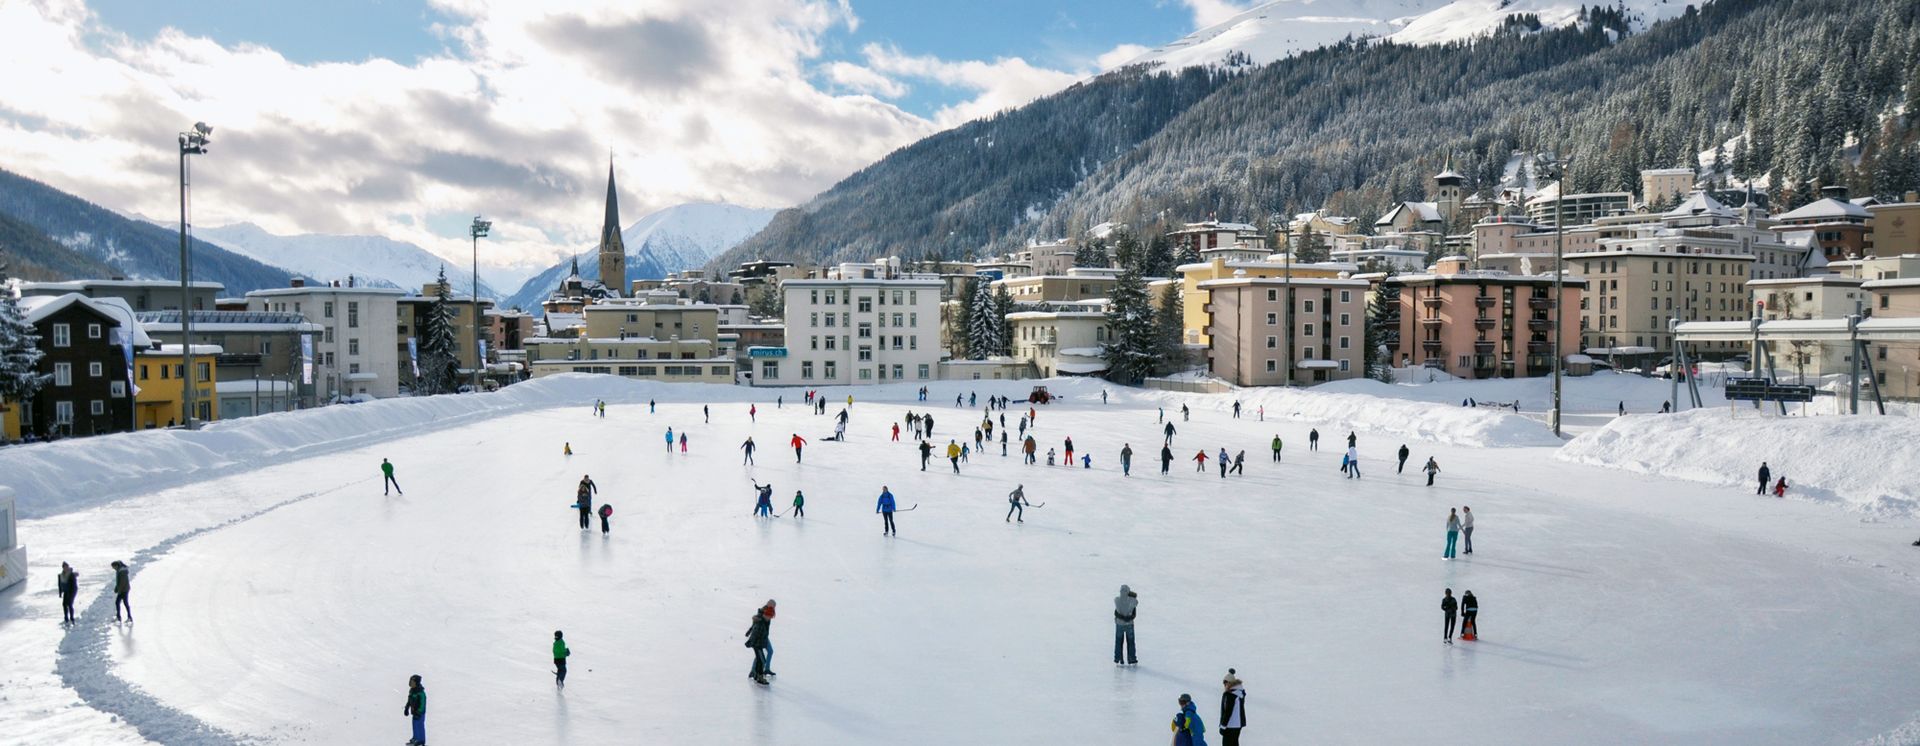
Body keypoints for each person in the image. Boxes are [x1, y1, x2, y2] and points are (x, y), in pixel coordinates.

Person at [1219, 670, 1247, 746]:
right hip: (1238, 724)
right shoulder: (1239, 693)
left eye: (1225, 683)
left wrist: (1223, 725)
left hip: (1229, 725)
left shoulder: (1229, 695)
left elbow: (1228, 711)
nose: (1224, 685)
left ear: (1229, 683)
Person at [746, 607, 772, 685]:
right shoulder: (761, 622)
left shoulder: (765, 621)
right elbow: (754, 633)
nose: (770, 618)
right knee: (762, 660)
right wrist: (751, 642)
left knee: (759, 660)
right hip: (757, 645)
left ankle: (756, 675)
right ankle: (759, 677)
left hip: (759, 644)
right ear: (766, 615)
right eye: (770, 616)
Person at [1113, 585, 1138, 665]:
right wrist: (1127, 618)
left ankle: (1118, 658)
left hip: (1119, 624)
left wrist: (1122, 618)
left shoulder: (1117, 600)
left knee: (1118, 642)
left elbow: (1116, 613)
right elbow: (1134, 613)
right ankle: (1132, 659)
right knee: (1130, 642)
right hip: (1129, 624)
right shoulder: (1133, 601)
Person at [403, 674, 426, 745]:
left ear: (417, 683)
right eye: (410, 681)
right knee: (414, 725)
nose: (411, 683)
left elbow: (422, 703)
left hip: (420, 713)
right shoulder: (412, 691)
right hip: (414, 712)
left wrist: (419, 711)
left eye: (412, 682)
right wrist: (407, 708)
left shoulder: (421, 693)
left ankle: (420, 739)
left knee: (419, 725)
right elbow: (409, 700)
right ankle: (415, 738)